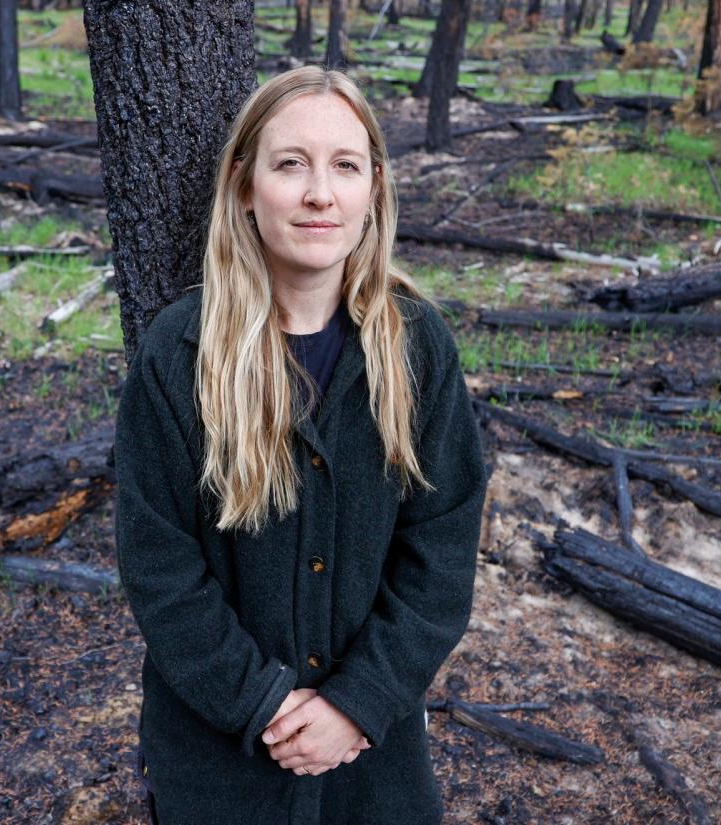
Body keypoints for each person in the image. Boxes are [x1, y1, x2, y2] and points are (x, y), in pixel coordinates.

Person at [112, 65, 488, 825]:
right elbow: (159, 567)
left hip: (373, 760)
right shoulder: (178, 355)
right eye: (291, 164)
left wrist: (358, 702)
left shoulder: (418, 350)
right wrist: (261, 700)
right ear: (246, 187)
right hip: (219, 758)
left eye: (345, 166)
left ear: (373, 190)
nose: (321, 193)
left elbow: (440, 556)